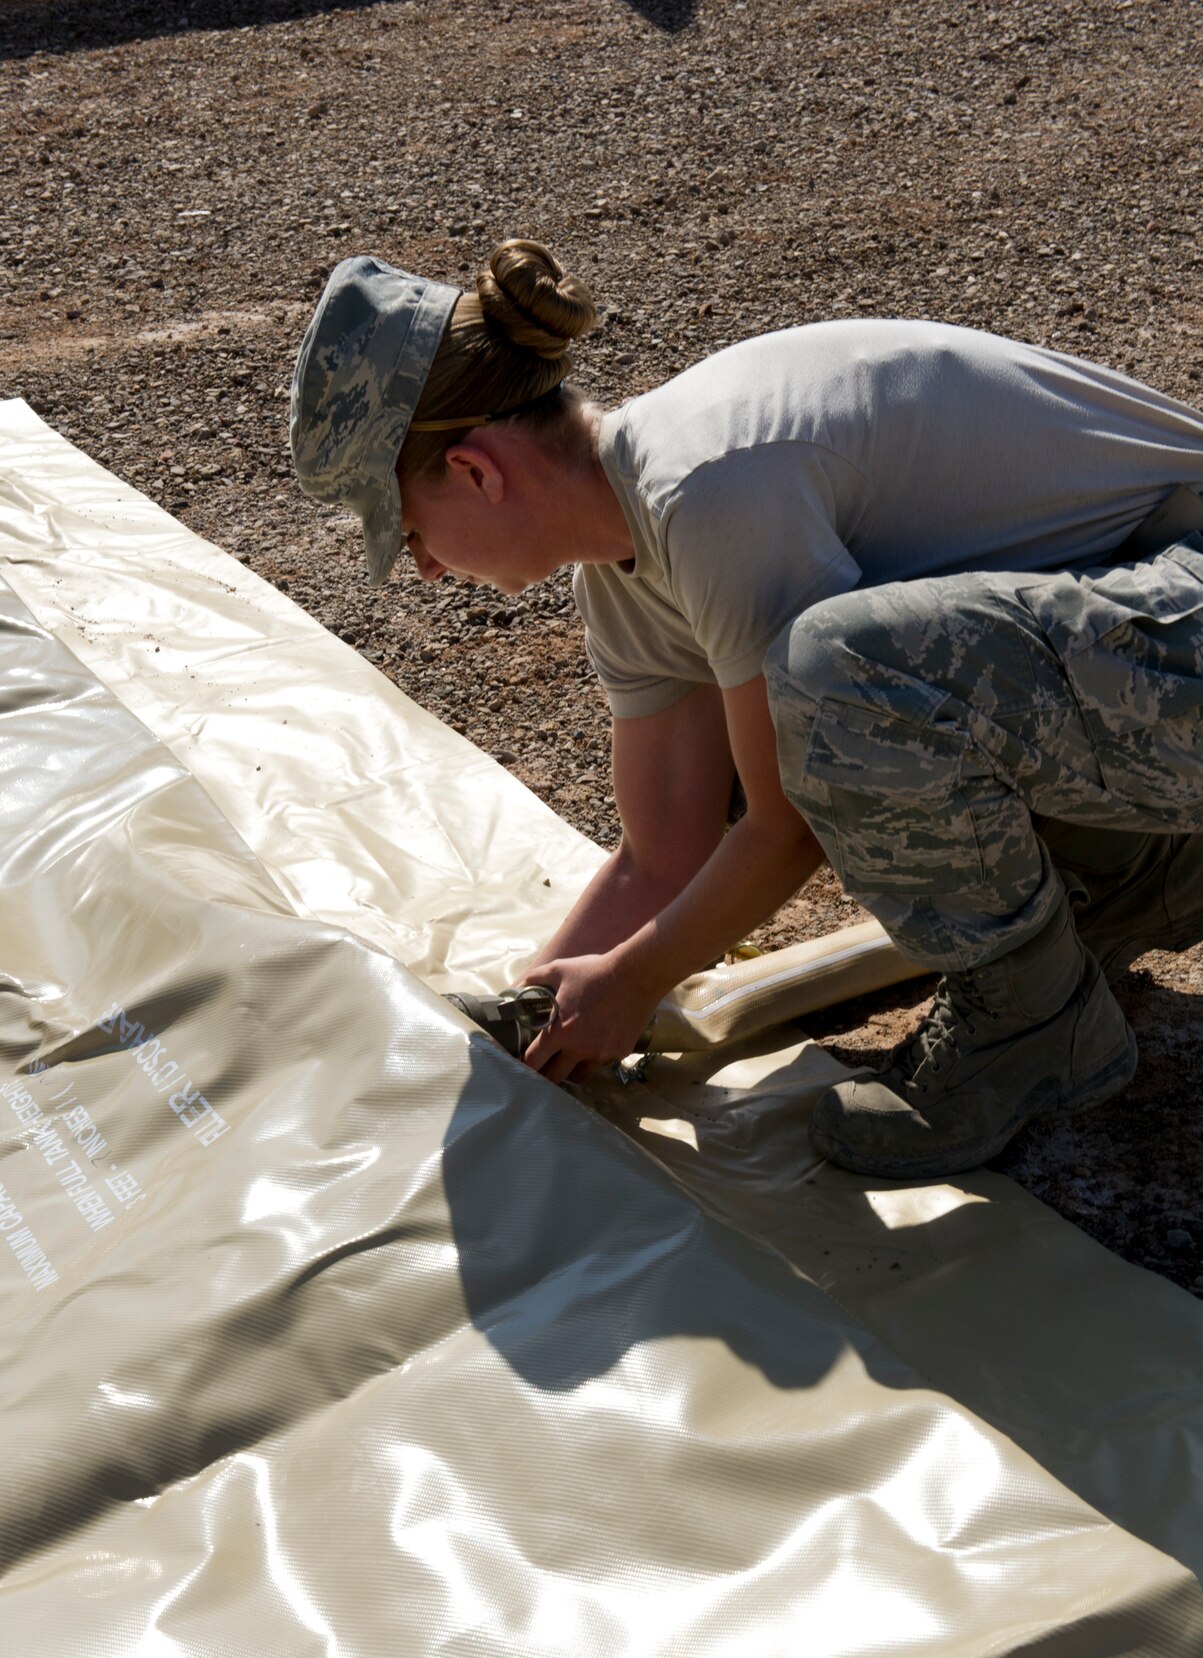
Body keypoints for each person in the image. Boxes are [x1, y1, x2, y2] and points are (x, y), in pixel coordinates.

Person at [290, 238, 1203, 1178]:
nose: (429, 569)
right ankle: (1145, 867)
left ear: (479, 471)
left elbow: (784, 825)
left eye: (410, 533)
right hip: (1157, 652)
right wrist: (529, 1024)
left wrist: (635, 983)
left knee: (842, 681)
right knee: (842, 682)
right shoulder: (627, 562)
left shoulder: (709, 489)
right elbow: (661, 853)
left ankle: (1038, 1033)